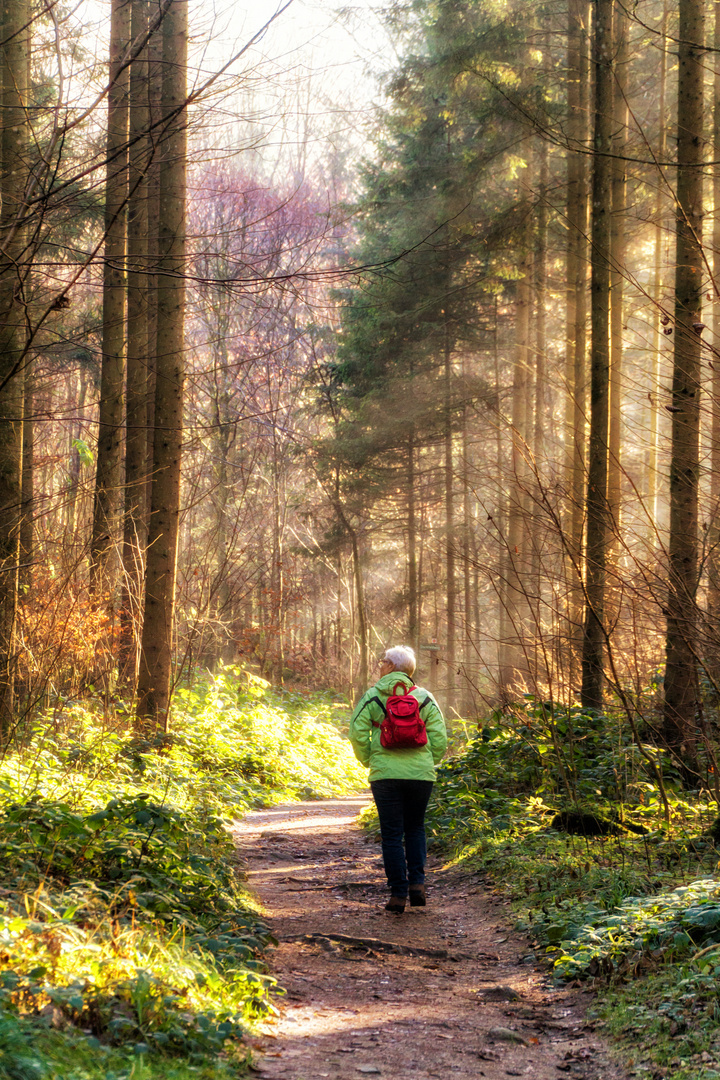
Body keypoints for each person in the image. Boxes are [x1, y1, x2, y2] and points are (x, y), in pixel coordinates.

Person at [349, 645, 447, 913]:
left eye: (383, 662)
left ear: (392, 666)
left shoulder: (373, 696)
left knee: (392, 835)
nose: (379, 665)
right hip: (421, 777)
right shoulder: (425, 698)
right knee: (415, 828)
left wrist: (371, 760)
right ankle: (417, 885)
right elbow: (440, 738)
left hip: (386, 776)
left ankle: (397, 894)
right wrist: (428, 761)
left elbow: (357, 732)